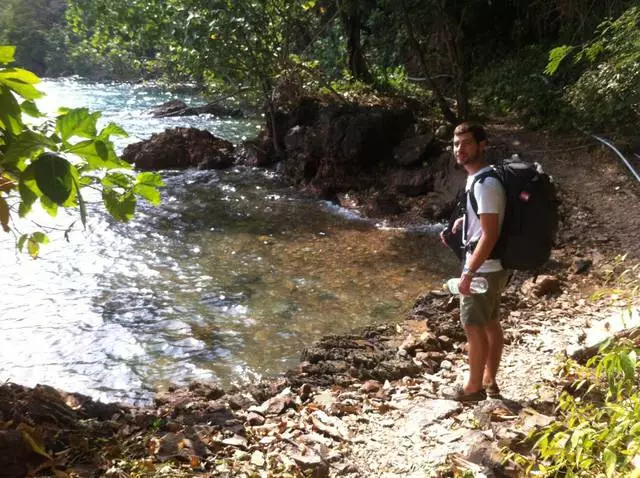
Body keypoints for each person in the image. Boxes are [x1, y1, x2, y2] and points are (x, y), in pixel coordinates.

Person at [439, 122, 511, 402]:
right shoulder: (481, 179)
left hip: (483, 269)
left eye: (467, 143)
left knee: (474, 327)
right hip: (492, 268)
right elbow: (487, 219)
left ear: (483, 145)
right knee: (491, 323)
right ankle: (489, 382)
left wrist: (468, 272)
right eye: (456, 144)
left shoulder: (485, 183)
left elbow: (490, 234)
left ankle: (473, 389)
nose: (460, 149)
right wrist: (464, 220)